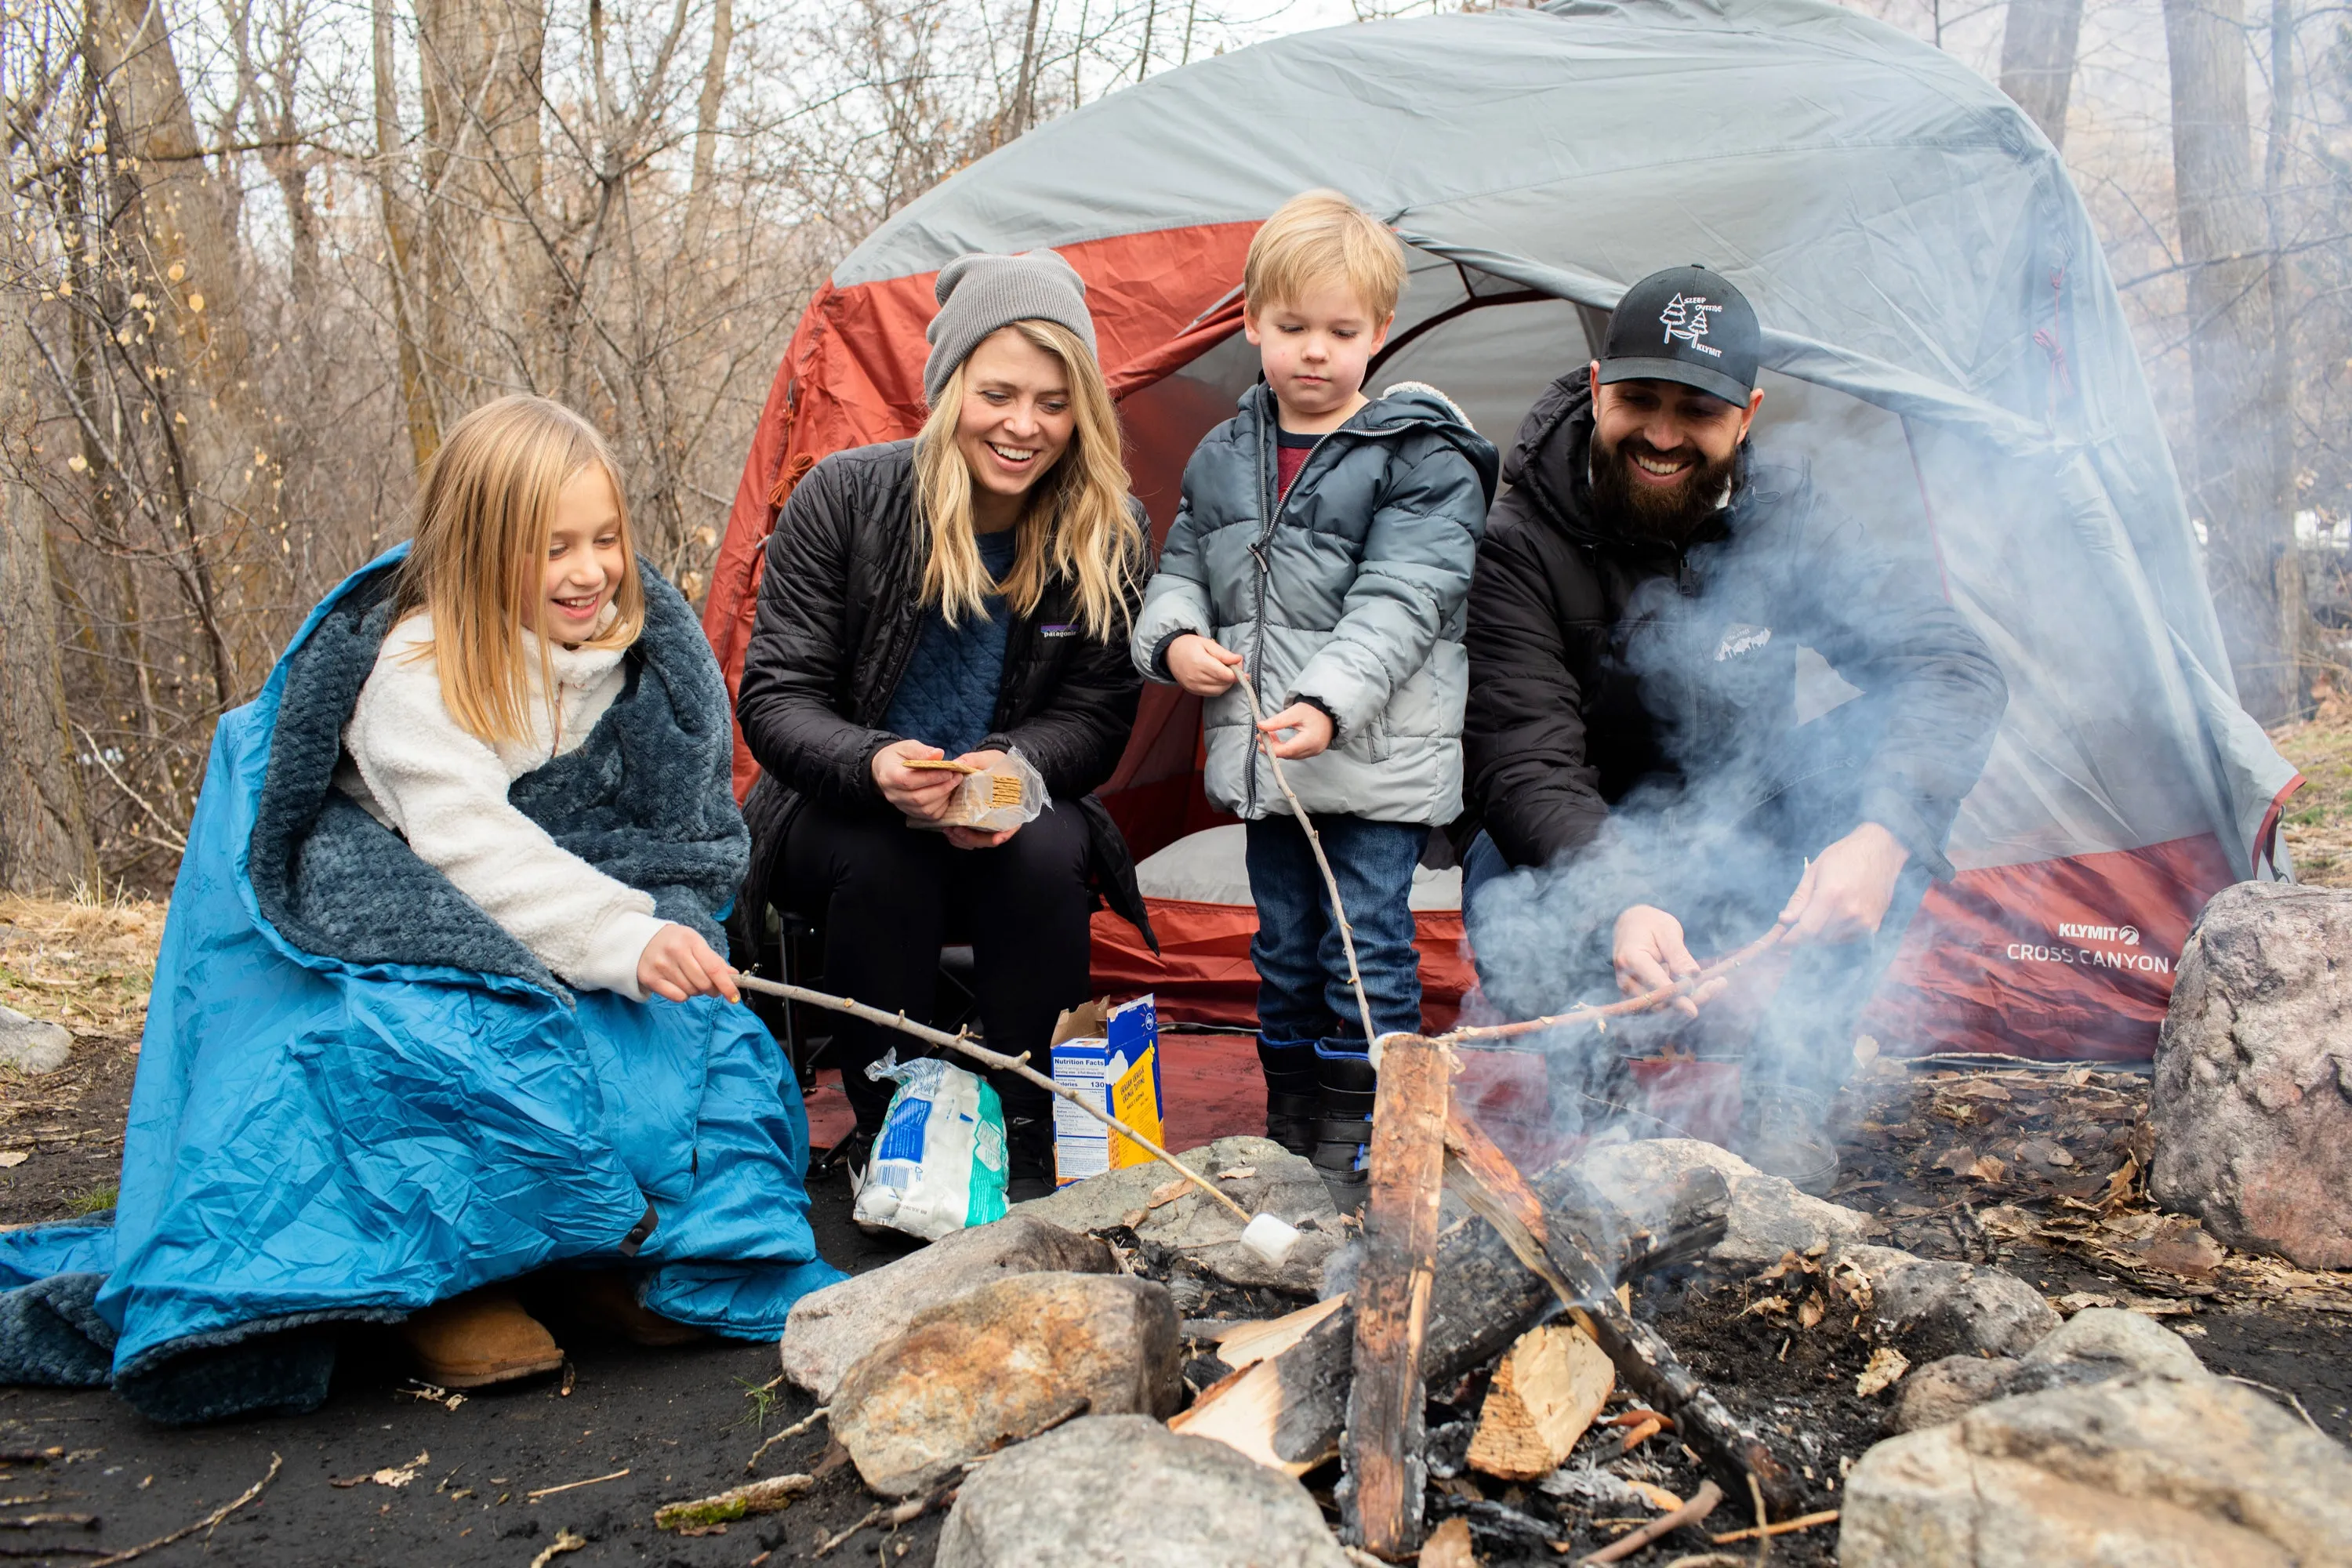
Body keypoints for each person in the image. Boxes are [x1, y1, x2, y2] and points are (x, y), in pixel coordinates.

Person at [0, 396, 839, 1418]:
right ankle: (441, 1283)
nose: (588, 571)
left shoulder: (632, 651)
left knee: (685, 1033)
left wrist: (661, 913)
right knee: (422, 1040)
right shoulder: (414, 665)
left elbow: (672, 813)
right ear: (480, 554)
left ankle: (603, 1253)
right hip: (393, 894)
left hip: (568, 890)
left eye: (605, 540)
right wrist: (621, 935)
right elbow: (469, 842)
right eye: (552, 549)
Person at [1461, 264, 2009, 1195]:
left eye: (1698, 409)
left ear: (1746, 415)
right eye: (1638, 400)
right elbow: (1525, 755)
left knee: (1900, 792)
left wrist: (1880, 839)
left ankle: (1789, 1091)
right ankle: (1596, 1103)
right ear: (1597, 390)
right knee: (1503, 879)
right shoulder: (1522, 538)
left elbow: (1951, 665)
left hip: (1745, 830)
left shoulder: (1790, 516)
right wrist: (1619, 899)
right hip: (1589, 834)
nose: (1663, 435)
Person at [735, 250, 1151, 1201]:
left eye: (1053, 401)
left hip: (1016, 802)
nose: (1023, 425)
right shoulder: (844, 498)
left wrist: (1011, 769)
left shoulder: (1109, 530)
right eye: (998, 392)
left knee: (1044, 852)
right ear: (950, 384)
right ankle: (899, 1130)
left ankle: (1022, 1113)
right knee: (892, 856)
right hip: (842, 805)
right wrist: (875, 760)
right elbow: (776, 697)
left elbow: (1095, 714)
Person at [1131, 191, 1498, 1201]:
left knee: (1364, 942)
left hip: (1373, 757)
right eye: (1293, 328)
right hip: (1264, 756)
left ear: (1379, 334)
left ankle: (1375, 1130)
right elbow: (1179, 570)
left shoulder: (1421, 457)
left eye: (1343, 332)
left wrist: (1330, 703)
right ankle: (1294, 1122)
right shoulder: (1221, 453)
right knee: (1282, 945)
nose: (1315, 353)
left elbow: (1403, 599)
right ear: (1252, 321)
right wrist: (1177, 643)